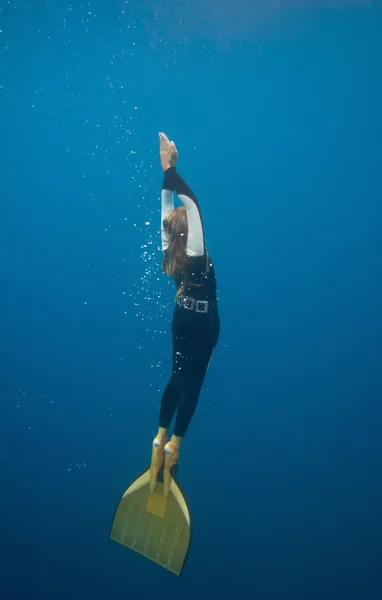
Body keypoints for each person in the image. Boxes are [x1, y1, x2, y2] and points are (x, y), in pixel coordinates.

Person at [150, 132, 220, 496]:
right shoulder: (194, 251)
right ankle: (175, 443)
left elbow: (171, 208)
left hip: (180, 318)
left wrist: (166, 178)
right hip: (204, 322)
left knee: (177, 375)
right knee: (194, 380)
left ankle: (159, 435)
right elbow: (190, 202)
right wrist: (170, 168)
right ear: (189, 232)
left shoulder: (170, 250)